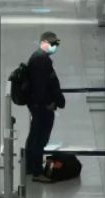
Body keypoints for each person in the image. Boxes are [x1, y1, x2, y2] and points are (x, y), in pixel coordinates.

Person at [24, 31, 66, 182]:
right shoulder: (41, 61)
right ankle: (36, 171)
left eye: (56, 44)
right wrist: (48, 103)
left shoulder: (38, 58)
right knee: (40, 138)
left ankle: (29, 166)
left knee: (35, 135)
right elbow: (42, 87)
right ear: (43, 42)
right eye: (53, 43)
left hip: (37, 105)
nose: (55, 47)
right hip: (42, 106)